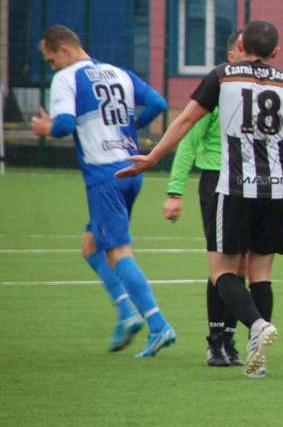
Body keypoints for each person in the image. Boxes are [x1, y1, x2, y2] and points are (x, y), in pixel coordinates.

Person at [117, 19, 283, 378]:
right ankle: (255, 358)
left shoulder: (222, 76)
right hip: (275, 190)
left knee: (221, 271)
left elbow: (185, 121)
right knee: (261, 273)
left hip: (233, 188)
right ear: (276, 52)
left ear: (241, 44)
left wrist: (153, 158)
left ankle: (258, 326)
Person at [31, 24, 175, 357]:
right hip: (131, 168)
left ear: (64, 50)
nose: (52, 66)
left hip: (104, 175)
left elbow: (65, 125)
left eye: (51, 60)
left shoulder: (67, 78)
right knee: (91, 246)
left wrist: (45, 127)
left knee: (118, 252)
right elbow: (158, 102)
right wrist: (127, 125)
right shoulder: (116, 72)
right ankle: (126, 313)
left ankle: (158, 325)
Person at [162, 31, 246, 368]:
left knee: (240, 266)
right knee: (221, 266)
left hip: (247, 184)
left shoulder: (257, 92)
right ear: (232, 53)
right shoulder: (215, 90)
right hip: (215, 182)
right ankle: (215, 342)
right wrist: (174, 191)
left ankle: (229, 337)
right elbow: (187, 140)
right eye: (243, 48)